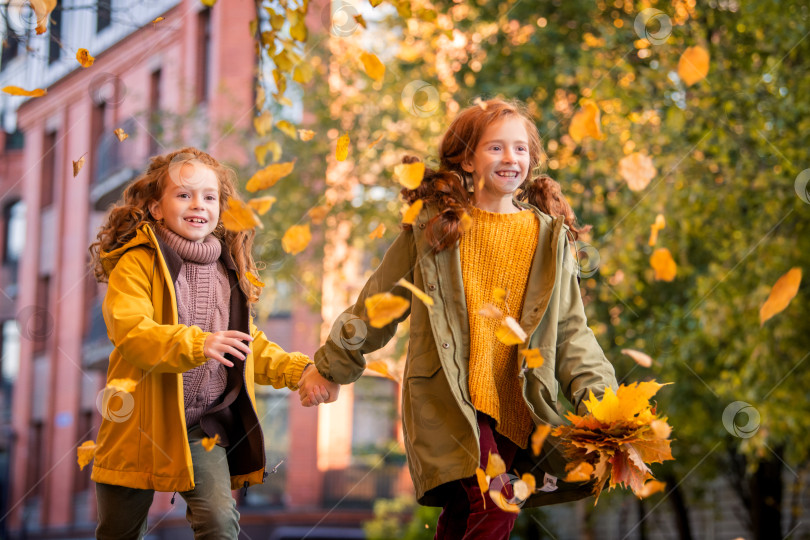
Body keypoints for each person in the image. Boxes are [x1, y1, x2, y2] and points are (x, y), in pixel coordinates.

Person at [300, 99, 617, 538]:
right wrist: (331, 365)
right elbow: (380, 301)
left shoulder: (549, 238)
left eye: (521, 149)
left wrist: (601, 401)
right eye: (496, 148)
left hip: (518, 401)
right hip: (449, 399)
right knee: (498, 501)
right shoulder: (435, 226)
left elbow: (570, 332)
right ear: (467, 159)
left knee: (465, 516)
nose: (511, 159)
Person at [88, 147, 337, 540]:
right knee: (118, 533)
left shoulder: (227, 270)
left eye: (209, 196)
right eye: (183, 195)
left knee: (220, 525)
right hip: (138, 424)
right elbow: (132, 332)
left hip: (200, 430)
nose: (197, 204)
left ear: (221, 208)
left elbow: (246, 343)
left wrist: (301, 370)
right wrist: (199, 343)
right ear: (156, 207)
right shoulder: (136, 262)